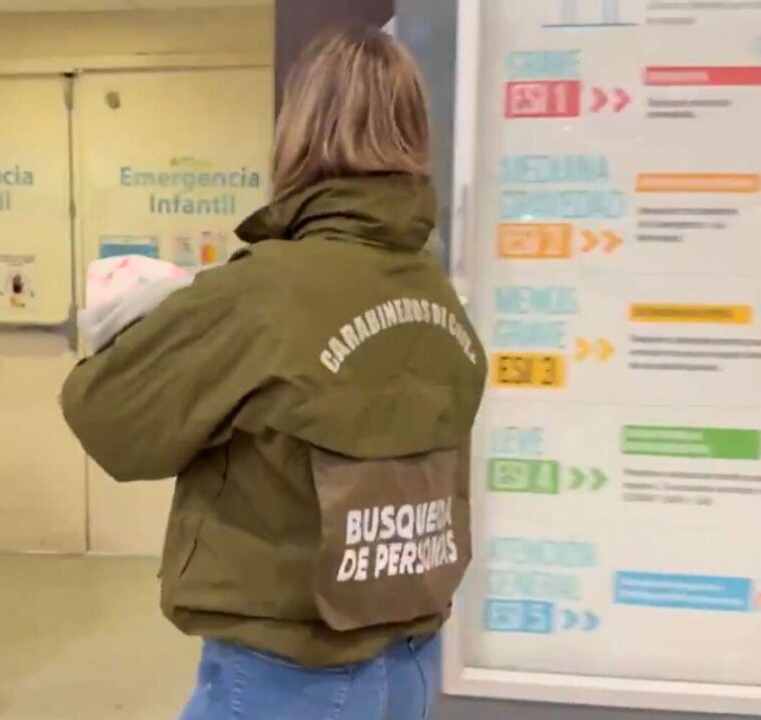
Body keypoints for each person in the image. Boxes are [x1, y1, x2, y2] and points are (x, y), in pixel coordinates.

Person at [61, 25, 487, 720]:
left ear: (298, 134)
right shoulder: (435, 290)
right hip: (410, 662)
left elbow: (108, 420)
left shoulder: (263, 293)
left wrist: (141, 322)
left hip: (289, 676)